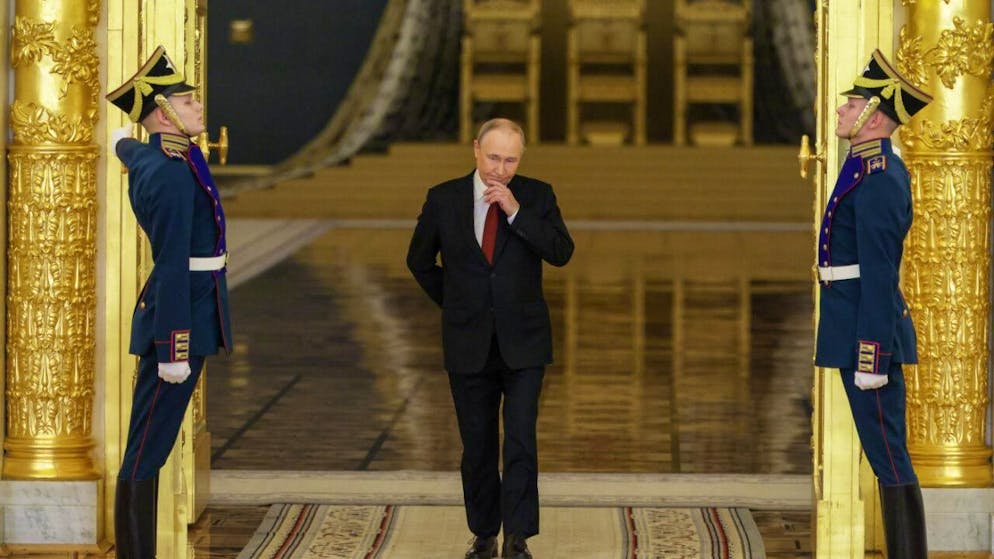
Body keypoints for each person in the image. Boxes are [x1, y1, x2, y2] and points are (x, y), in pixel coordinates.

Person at [407, 118, 573, 559]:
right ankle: (484, 534)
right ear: (476, 150)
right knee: (478, 444)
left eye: (511, 160)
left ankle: (518, 536)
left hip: (525, 342)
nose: (501, 169)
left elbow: (561, 251)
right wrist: (458, 304)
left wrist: (517, 212)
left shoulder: (537, 195)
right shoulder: (443, 199)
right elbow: (418, 261)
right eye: (494, 158)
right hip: (468, 341)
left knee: (520, 440)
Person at [106, 46, 232, 559]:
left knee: (150, 444)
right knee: (146, 450)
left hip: (194, 306)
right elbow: (174, 262)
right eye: (186, 100)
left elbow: (133, 152)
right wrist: (175, 346)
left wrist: (123, 143)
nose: (198, 106)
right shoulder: (171, 173)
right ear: (163, 113)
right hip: (181, 317)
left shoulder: (167, 156)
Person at [815, 49, 932, 558]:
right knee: (883, 452)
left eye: (851, 104)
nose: (841, 110)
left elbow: (880, 274)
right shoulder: (862, 167)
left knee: (888, 456)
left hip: (867, 333)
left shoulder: (881, 177)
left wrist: (872, 354)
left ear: (875, 117)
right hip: (851, 321)